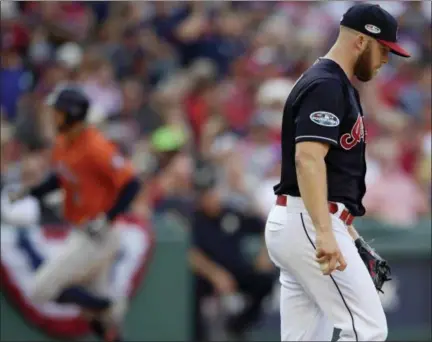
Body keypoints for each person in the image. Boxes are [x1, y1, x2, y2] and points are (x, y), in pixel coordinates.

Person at [264, 3, 410, 341]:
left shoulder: (331, 83)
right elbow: (308, 159)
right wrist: (324, 233)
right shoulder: (326, 84)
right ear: (361, 41)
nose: (387, 59)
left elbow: (329, 171)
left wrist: (348, 234)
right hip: (310, 221)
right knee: (367, 330)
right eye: (384, 49)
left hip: (306, 220)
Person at [7, 85, 141, 342]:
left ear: (72, 114)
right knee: (101, 323)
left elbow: (132, 183)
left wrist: (108, 217)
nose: (53, 117)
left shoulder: (96, 146)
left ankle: (108, 305)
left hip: (97, 232)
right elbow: (62, 178)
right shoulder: (63, 142)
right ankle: (104, 309)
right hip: (84, 230)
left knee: (40, 290)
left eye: (57, 112)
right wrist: (29, 192)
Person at [190, 160, 275, 341]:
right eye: (205, 193)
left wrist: (264, 254)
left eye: (213, 191)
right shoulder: (195, 219)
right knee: (192, 291)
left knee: (265, 280)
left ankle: (238, 326)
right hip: (208, 274)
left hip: (237, 270)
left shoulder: (231, 213)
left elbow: (266, 224)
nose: (211, 197)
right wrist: (215, 274)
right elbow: (190, 253)